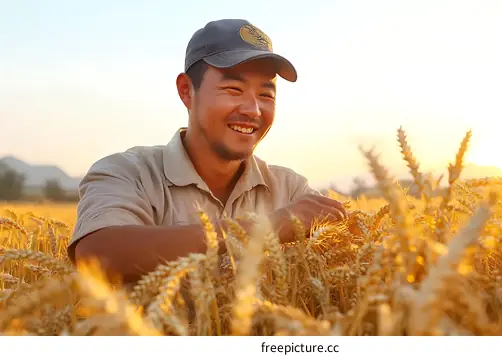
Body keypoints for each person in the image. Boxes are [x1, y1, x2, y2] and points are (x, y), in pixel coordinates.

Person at [68, 19, 348, 285]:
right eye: (233, 89)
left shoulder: (290, 189)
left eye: (266, 95)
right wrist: (266, 228)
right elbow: (97, 255)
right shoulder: (128, 174)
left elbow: (348, 260)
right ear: (186, 91)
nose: (253, 110)